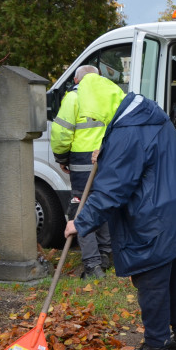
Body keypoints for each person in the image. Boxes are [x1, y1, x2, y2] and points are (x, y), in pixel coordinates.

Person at [65, 87, 176, 350]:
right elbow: (145, 155)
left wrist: (81, 222)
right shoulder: (148, 116)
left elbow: (113, 189)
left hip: (155, 218)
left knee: (153, 283)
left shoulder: (127, 131)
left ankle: (156, 349)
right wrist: (108, 152)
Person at [50, 66, 120, 279]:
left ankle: (92, 265)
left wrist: (61, 158)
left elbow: (61, 133)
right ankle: (106, 254)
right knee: (102, 205)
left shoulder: (74, 97)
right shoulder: (111, 95)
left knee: (80, 210)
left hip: (83, 162)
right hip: (108, 159)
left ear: (75, 79)